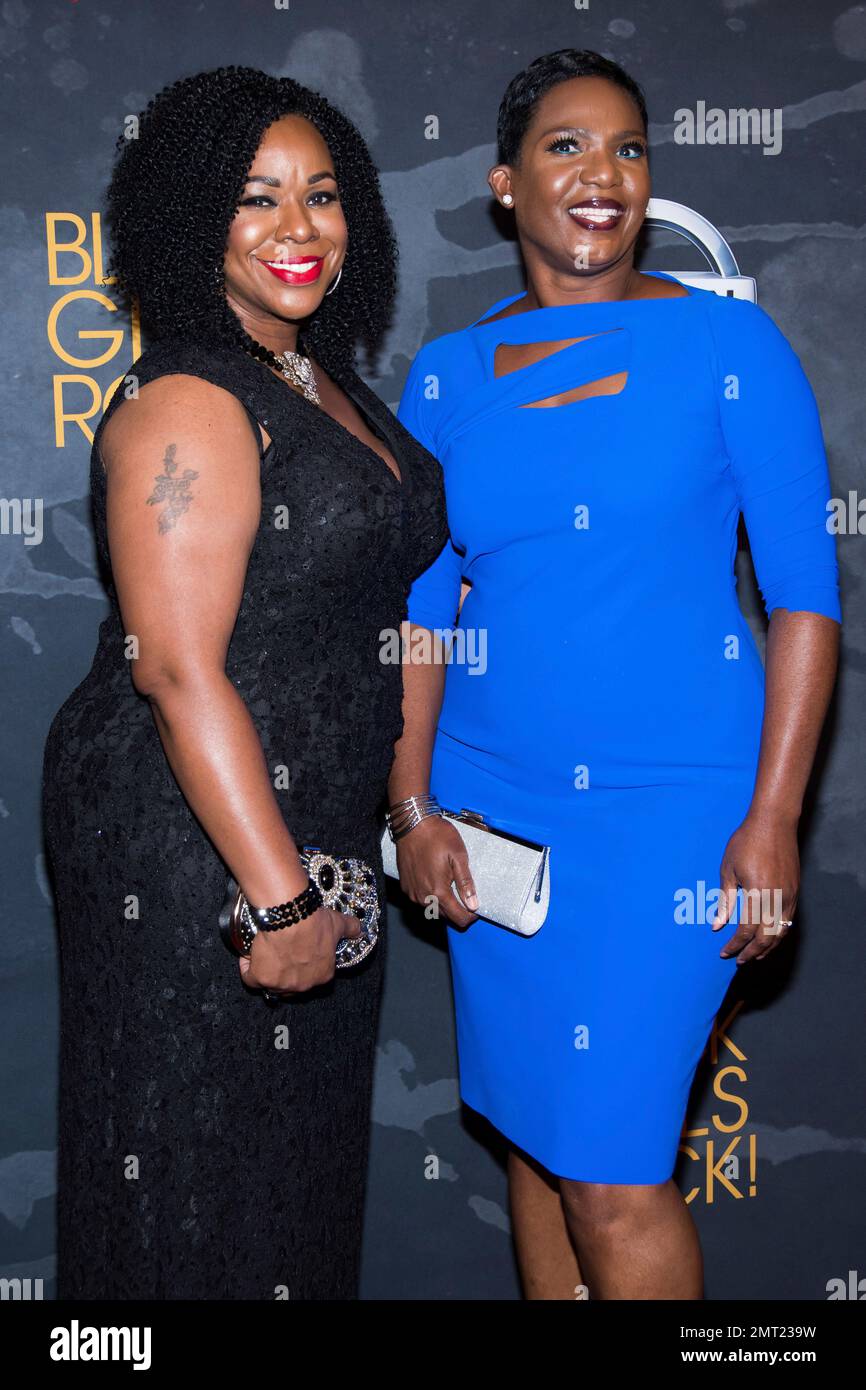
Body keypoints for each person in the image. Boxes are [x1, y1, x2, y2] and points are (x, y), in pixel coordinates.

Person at [387, 49, 841, 1300]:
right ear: (501, 183)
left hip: (674, 813)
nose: (602, 174)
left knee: (610, 1173)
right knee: (537, 1143)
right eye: (565, 146)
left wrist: (773, 814)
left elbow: (805, 600)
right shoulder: (445, 376)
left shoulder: (725, 346)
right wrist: (413, 807)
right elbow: (421, 617)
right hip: (494, 808)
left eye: (628, 149)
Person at [41, 66, 448, 1301]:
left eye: (321, 197)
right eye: (255, 197)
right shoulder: (189, 396)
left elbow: (391, 609)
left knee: (290, 1177)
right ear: (190, 217)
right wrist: (276, 902)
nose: (296, 228)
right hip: (191, 835)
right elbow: (172, 665)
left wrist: (404, 813)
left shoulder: (316, 379)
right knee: (188, 1175)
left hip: (304, 826)